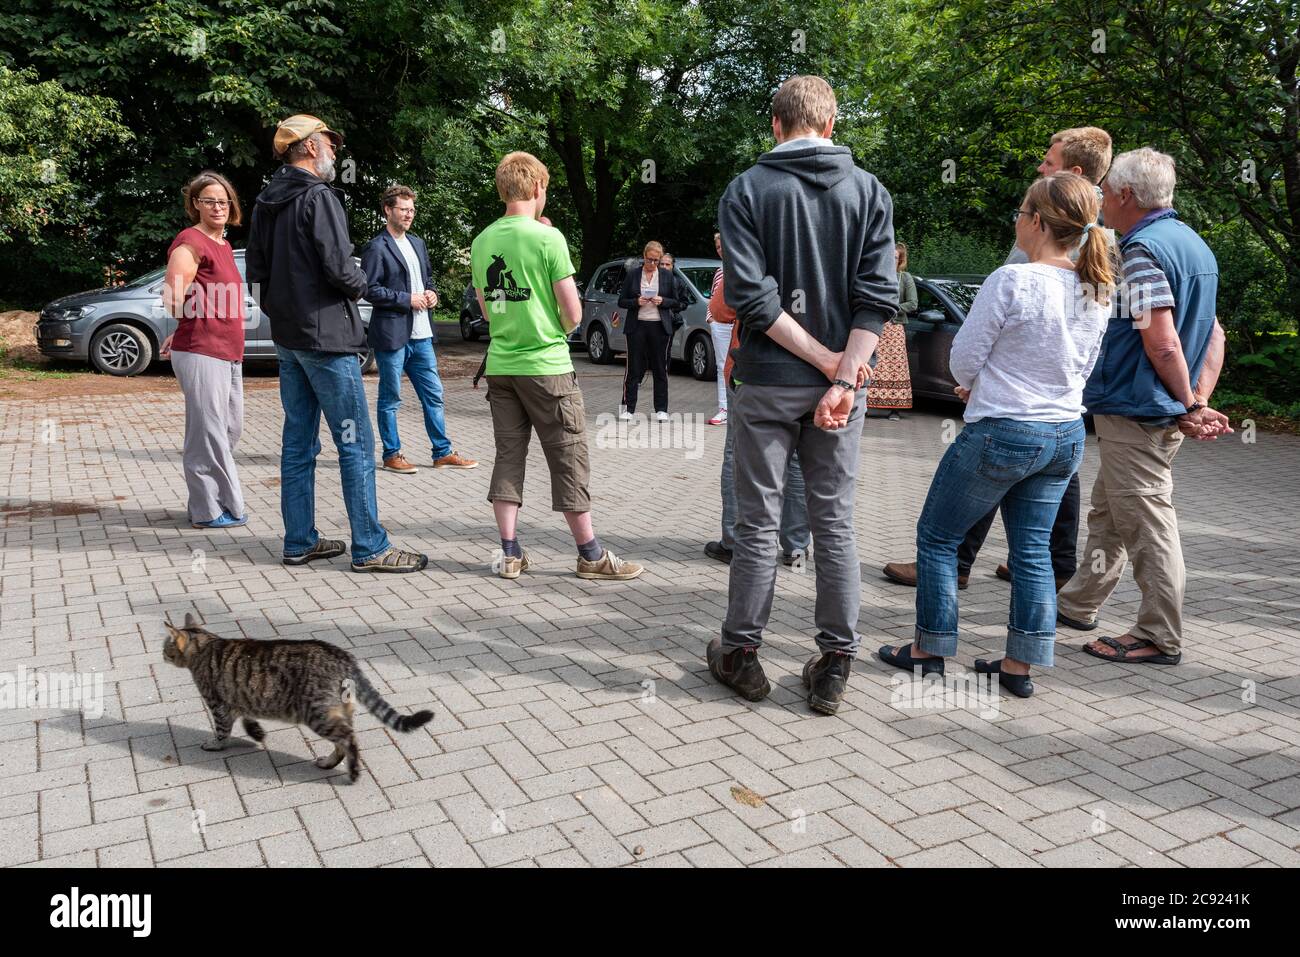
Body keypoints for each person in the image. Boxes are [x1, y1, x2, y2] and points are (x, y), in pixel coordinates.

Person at [877, 172, 1114, 698]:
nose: (1016, 220)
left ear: (1035, 221)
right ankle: (1018, 664)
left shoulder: (1012, 280)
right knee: (1031, 551)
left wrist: (974, 383)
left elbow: (962, 358)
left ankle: (929, 649)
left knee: (938, 538)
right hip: (1064, 433)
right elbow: (1081, 367)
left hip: (1005, 429)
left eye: (1020, 212)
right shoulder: (1095, 288)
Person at [709, 75, 896, 716]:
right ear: (832, 125)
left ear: (777, 125)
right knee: (834, 522)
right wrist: (843, 375)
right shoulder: (869, 191)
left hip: (765, 382)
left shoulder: (747, 190)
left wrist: (822, 361)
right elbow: (878, 297)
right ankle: (835, 663)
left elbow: (751, 300)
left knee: (758, 523)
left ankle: (740, 653)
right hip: (843, 389)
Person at [1058, 147, 1231, 665]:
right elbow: (1215, 334)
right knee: (1111, 512)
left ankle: (1159, 634)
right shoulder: (1195, 246)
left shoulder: (1142, 251)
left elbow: (1161, 343)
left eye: (1106, 191)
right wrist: (1196, 398)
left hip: (1138, 408)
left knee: (1147, 520)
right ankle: (1078, 603)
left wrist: (1189, 402)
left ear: (1127, 195)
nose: (1102, 201)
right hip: (1160, 407)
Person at [245, 114, 427, 573]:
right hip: (327, 340)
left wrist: (284, 316)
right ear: (308, 147)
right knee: (357, 445)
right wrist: (360, 282)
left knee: (298, 443)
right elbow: (340, 268)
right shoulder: (318, 196)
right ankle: (370, 547)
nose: (334, 152)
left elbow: (257, 277)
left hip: (291, 340)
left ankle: (299, 541)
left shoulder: (267, 201)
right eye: (329, 143)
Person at [471, 150, 644, 582]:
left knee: (509, 455)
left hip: (501, 365)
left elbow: (489, 312)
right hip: (546, 367)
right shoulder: (550, 240)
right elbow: (573, 315)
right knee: (568, 458)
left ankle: (509, 553)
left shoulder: (481, 241)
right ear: (536, 188)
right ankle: (590, 555)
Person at [361, 184, 478, 475]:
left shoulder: (418, 243)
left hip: (422, 334)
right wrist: (406, 299)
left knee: (434, 395)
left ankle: (442, 452)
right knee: (391, 398)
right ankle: (392, 454)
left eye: (412, 210)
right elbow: (369, 290)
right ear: (388, 210)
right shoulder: (377, 247)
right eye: (403, 209)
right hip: (392, 335)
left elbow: (427, 279)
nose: (409, 214)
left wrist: (431, 293)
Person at [704, 260, 810, 567]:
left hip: (754, 372)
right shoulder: (830, 243)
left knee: (738, 455)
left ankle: (735, 541)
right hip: (812, 375)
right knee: (797, 460)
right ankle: (796, 546)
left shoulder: (758, 247)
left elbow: (721, 310)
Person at [160, 170, 248, 530]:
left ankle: (210, 500)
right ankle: (211, 508)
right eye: (209, 200)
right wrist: (187, 327)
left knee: (228, 429)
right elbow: (173, 298)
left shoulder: (223, 245)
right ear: (195, 204)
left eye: (223, 201)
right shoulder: (189, 241)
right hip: (202, 350)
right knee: (207, 432)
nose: (218, 206)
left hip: (227, 350)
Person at [618, 241, 680, 421]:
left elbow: (676, 301)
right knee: (633, 368)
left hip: (659, 326)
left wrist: (663, 301)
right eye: (649, 260)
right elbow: (622, 301)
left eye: (656, 260)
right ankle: (627, 408)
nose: (652, 264)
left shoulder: (667, 276)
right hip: (637, 325)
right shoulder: (633, 275)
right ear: (643, 257)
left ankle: (661, 409)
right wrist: (636, 302)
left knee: (660, 368)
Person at [866, 242, 916, 419]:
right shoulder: (878, 275)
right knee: (874, 365)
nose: (891, 259)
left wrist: (891, 307)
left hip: (894, 328)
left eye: (895, 257)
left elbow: (912, 303)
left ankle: (894, 408)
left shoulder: (905, 278)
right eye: (889, 256)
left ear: (900, 259)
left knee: (896, 367)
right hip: (877, 326)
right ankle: (868, 404)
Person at [706, 232, 733, 425]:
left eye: (722, 245)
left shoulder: (742, 266)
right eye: (717, 247)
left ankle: (739, 406)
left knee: (739, 365)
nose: (720, 250)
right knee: (722, 366)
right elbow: (714, 296)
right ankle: (724, 408)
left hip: (738, 324)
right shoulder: (719, 271)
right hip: (720, 325)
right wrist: (710, 318)